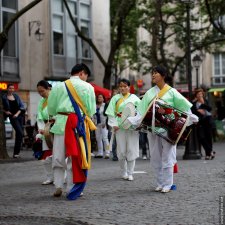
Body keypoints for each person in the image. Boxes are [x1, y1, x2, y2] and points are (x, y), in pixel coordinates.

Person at [128, 66, 198, 193]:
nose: (153, 75)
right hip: (152, 128)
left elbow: (184, 107)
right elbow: (141, 111)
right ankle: (160, 183)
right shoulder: (149, 93)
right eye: (152, 73)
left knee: (168, 155)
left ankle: (168, 184)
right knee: (155, 156)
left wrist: (191, 117)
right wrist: (134, 121)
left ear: (163, 75)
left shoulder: (171, 92)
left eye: (156, 73)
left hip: (168, 129)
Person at [48, 63, 96, 199]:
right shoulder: (88, 87)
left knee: (58, 155)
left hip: (60, 124)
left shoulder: (58, 86)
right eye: (86, 75)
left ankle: (58, 185)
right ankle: (71, 187)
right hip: (77, 125)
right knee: (74, 157)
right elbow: (91, 110)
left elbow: (51, 109)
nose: (86, 78)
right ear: (82, 73)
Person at [105, 79, 140, 181]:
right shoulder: (115, 98)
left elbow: (140, 111)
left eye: (125, 86)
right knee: (121, 150)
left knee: (131, 149)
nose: (122, 88)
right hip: (119, 126)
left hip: (132, 126)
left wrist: (137, 122)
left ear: (129, 87)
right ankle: (124, 171)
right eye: (120, 86)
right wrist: (114, 124)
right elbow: (111, 113)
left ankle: (130, 173)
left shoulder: (135, 98)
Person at [36, 80, 54, 185]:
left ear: (48, 88)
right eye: (39, 92)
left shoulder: (55, 98)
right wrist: (41, 128)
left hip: (56, 128)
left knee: (58, 156)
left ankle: (61, 177)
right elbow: (39, 117)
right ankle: (49, 177)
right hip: (45, 131)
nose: (41, 94)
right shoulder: (41, 102)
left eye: (42, 91)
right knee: (46, 157)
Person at [2, 83, 25, 158]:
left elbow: (21, 106)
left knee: (20, 134)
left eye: (12, 88)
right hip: (12, 117)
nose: (11, 90)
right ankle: (16, 153)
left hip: (19, 116)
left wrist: (17, 114)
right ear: (7, 89)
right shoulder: (4, 97)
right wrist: (6, 112)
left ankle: (16, 153)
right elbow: (2, 107)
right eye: (10, 88)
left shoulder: (16, 96)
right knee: (20, 132)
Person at [191, 89, 215, 160]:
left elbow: (210, 109)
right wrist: (198, 111)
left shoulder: (206, 101)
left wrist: (203, 104)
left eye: (201, 94)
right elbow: (193, 112)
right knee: (201, 137)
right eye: (198, 94)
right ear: (196, 95)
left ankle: (208, 155)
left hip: (208, 121)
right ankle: (210, 151)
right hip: (200, 122)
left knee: (209, 138)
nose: (200, 95)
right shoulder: (194, 103)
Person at [93, 94, 110, 159]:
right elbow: (93, 114)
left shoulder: (105, 105)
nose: (99, 98)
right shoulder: (95, 106)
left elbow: (107, 114)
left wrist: (105, 123)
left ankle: (107, 152)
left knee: (105, 138)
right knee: (98, 138)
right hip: (97, 124)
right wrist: (93, 121)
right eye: (98, 97)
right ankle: (100, 152)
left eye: (101, 97)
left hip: (104, 124)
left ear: (103, 98)